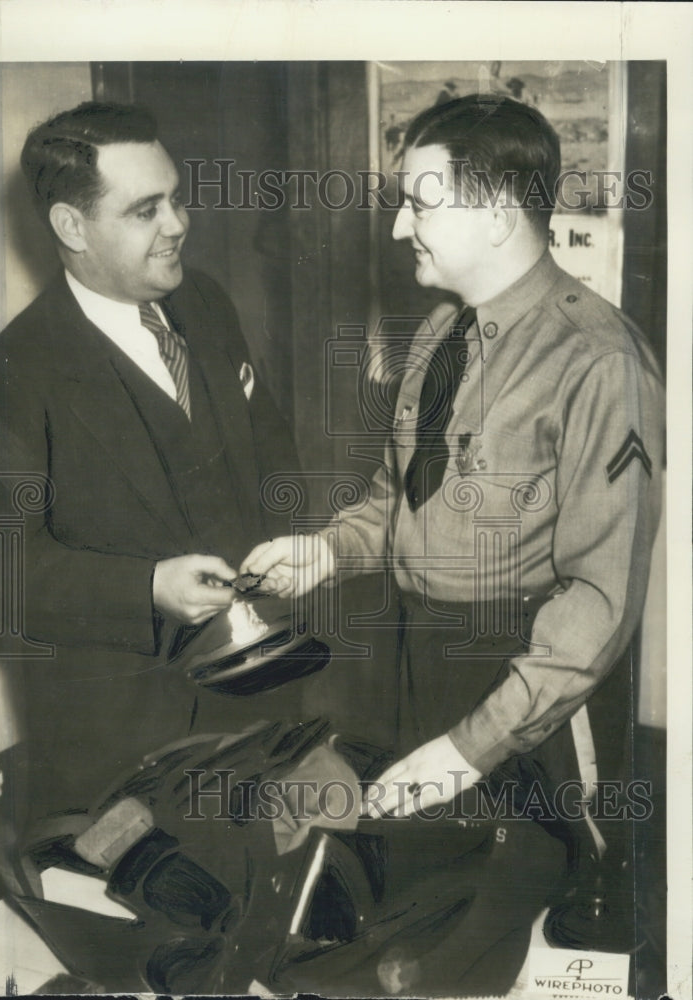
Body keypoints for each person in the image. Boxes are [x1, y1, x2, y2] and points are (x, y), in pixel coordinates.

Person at [243, 95, 663, 905]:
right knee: (433, 896)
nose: (400, 227)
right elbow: (396, 498)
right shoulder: (439, 334)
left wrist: (472, 746)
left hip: (532, 683)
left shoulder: (599, 361)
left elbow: (600, 601)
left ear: (499, 213)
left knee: (549, 901)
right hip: (422, 657)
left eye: (419, 202)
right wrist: (327, 551)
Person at [0, 101, 297, 834]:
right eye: (146, 209)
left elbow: (271, 453)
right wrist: (145, 588)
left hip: (262, 697)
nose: (178, 224)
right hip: (121, 747)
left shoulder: (205, 303)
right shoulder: (3, 380)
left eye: (176, 197)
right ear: (72, 227)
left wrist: (291, 543)